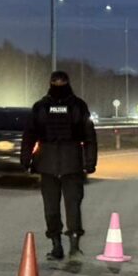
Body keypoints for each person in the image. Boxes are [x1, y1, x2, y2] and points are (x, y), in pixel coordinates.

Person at [20, 71, 98, 260]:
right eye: (57, 82)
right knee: (61, 207)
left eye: (60, 82)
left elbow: (89, 137)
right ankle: (64, 244)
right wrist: (90, 162)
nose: (59, 84)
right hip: (64, 163)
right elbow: (89, 136)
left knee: (62, 207)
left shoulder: (43, 106)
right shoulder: (75, 106)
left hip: (57, 163)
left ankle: (65, 245)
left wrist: (26, 160)